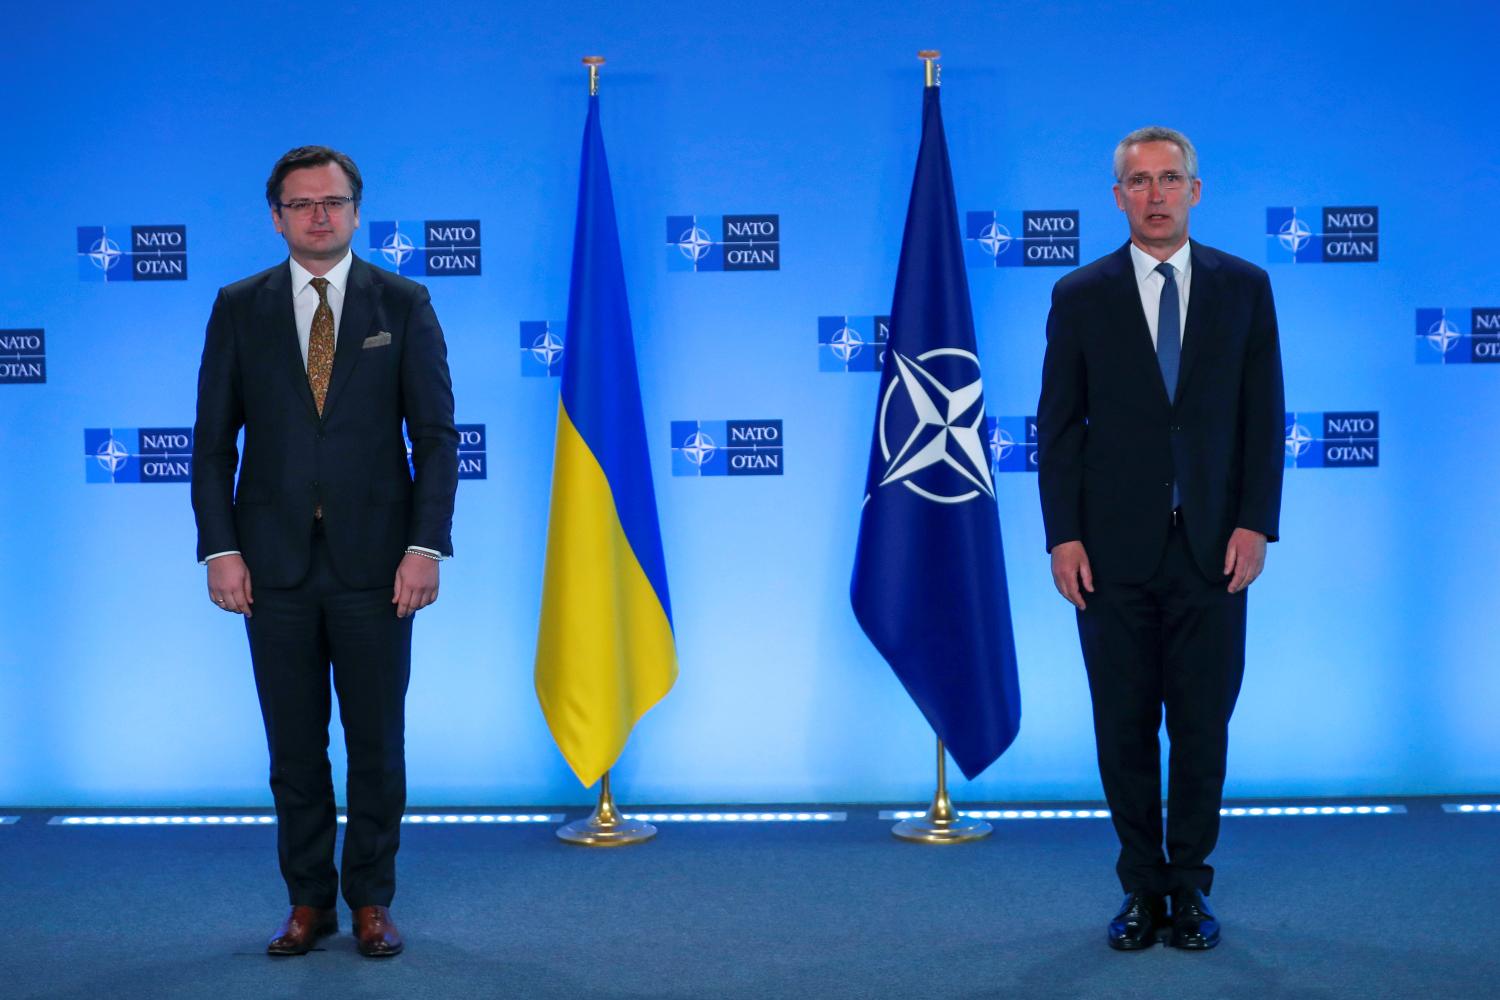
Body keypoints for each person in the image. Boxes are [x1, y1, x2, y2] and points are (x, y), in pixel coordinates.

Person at [191, 145, 458, 958]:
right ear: (275, 215)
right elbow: (211, 446)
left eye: (333, 202)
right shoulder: (239, 306)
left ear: (354, 209)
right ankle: (308, 903)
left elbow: (437, 439)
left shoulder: (403, 302)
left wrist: (425, 546)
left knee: (378, 741)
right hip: (269, 568)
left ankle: (372, 900)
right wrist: (220, 551)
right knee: (294, 746)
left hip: (379, 568)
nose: (319, 215)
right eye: (302, 204)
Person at [1036, 126, 1284, 951]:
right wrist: (1062, 537)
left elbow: (1263, 418)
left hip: (1215, 551)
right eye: (1137, 182)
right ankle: (1141, 889)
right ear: (1118, 198)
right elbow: (1060, 429)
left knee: (1203, 727)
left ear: (1195, 190)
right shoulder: (1081, 293)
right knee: (1124, 726)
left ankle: (1191, 889)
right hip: (1109, 555)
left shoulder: (1246, 287)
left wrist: (1256, 524)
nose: (1155, 194)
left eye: (1169, 179)